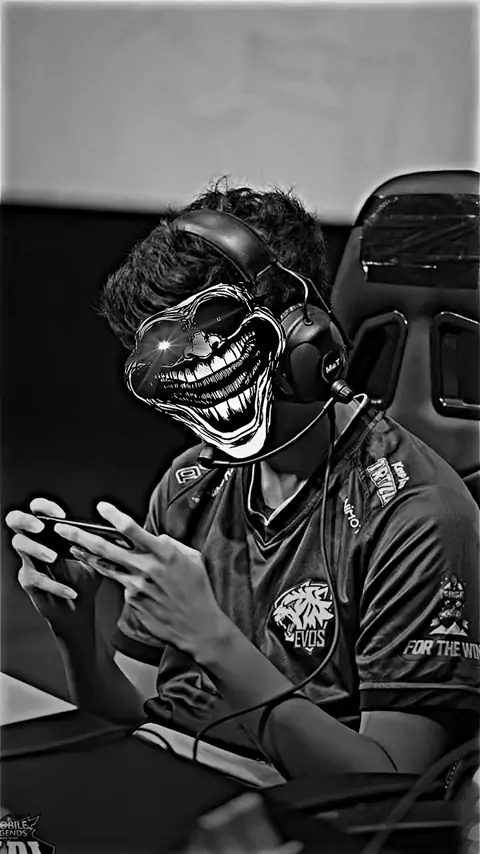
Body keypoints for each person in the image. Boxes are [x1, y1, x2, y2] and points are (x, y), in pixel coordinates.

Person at [6, 181, 480, 780]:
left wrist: (210, 636)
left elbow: (388, 786)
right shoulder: (188, 488)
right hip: (185, 784)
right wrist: (74, 629)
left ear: (302, 327)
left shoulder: (418, 515)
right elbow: (135, 712)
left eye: (213, 328)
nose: (191, 365)